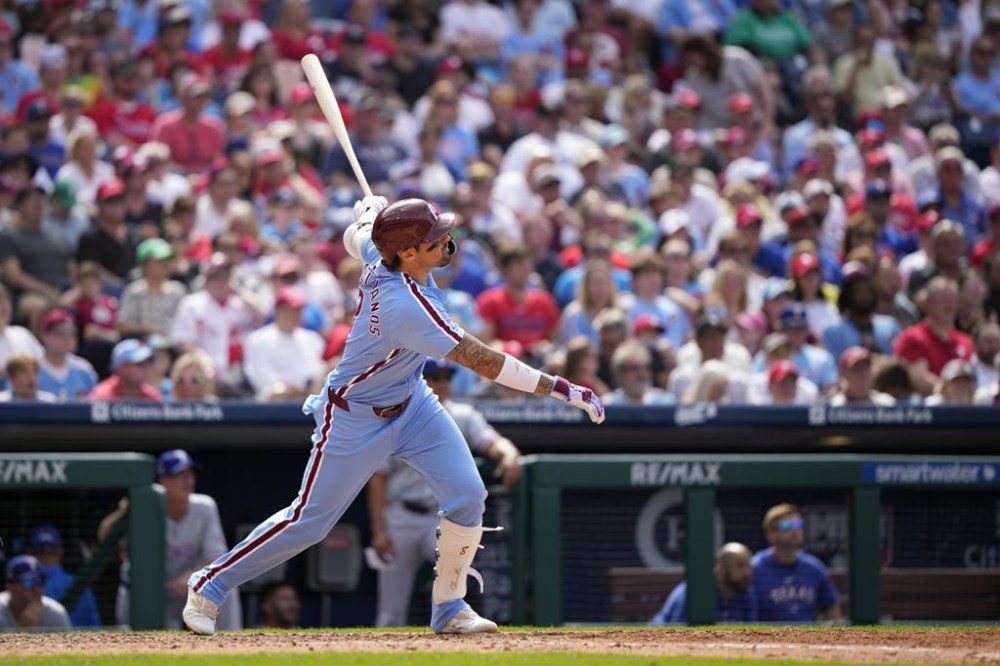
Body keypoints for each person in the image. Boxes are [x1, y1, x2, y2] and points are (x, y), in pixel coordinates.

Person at [183, 196, 604, 636]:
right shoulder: (406, 306)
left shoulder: (383, 252)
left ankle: (449, 606)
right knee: (309, 521)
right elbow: (484, 361)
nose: (446, 242)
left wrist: (367, 214)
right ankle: (209, 585)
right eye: (434, 239)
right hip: (354, 415)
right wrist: (558, 386)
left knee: (468, 496)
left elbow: (357, 237)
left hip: (412, 401)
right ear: (406, 252)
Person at [367, 359, 522, 627]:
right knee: (390, 609)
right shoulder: (396, 416)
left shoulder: (462, 415)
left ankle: (461, 626)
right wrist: (379, 529)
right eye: (434, 378)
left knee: (458, 577)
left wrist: (508, 454)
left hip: (440, 519)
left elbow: (493, 442)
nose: (442, 384)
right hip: (401, 516)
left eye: (446, 378)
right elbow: (377, 477)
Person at [104, 450, 242, 631]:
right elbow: (104, 538)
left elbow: (216, 556)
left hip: (192, 589)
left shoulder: (205, 507)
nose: (187, 480)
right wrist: (123, 514)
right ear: (162, 481)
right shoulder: (144, 508)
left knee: (227, 588)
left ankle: (232, 642)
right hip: (151, 594)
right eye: (179, 475)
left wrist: (192, 576)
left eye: (190, 474)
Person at [752, 503, 842, 623]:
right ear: (770, 535)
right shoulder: (756, 568)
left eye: (798, 525)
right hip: (768, 638)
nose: (795, 530)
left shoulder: (814, 568)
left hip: (806, 638)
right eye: (787, 526)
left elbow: (832, 608)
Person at [650, 542, 757, 624]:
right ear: (722, 567)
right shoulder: (694, 592)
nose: (747, 573)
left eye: (749, 566)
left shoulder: (744, 589)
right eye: (740, 566)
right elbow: (676, 632)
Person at [27, 525, 101, 627]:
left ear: (30, 553)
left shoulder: (23, 587)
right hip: (78, 642)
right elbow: (96, 627)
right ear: (60, 552)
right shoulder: (80, 585)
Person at [37, 308, 98, 401]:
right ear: (44, 335)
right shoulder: (32, 370)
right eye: (60, 333)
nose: (67, 339)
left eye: (71, 333)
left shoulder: (84, 370)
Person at [0, 555, 71, 629]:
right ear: (9, 586)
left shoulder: (56, 613)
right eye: (27, 582)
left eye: (39, 581)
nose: (35, 588)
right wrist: (25, 630)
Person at [88, 338, 164, 401]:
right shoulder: (101, 397)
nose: (146, 368)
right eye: (140, 364)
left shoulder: (153, 397)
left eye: (148, 363)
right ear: (122, 367)